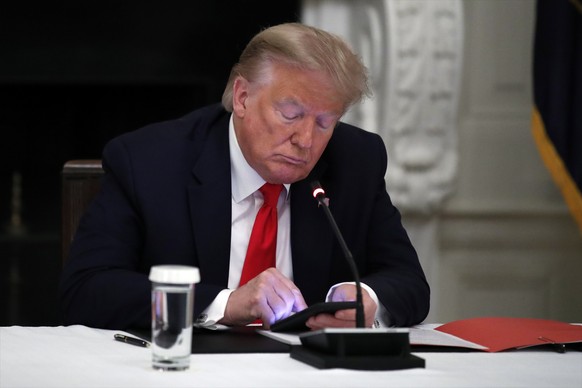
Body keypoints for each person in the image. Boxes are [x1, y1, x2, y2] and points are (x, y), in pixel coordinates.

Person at [59, 22, 430, 330]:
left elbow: (409, 282)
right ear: (242, 97)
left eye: (324, 122)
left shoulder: (356, 161)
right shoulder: (150, 161)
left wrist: (367, 300)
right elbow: (86, 290)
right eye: (290, 113)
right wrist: (224, 303)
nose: (305, 140)